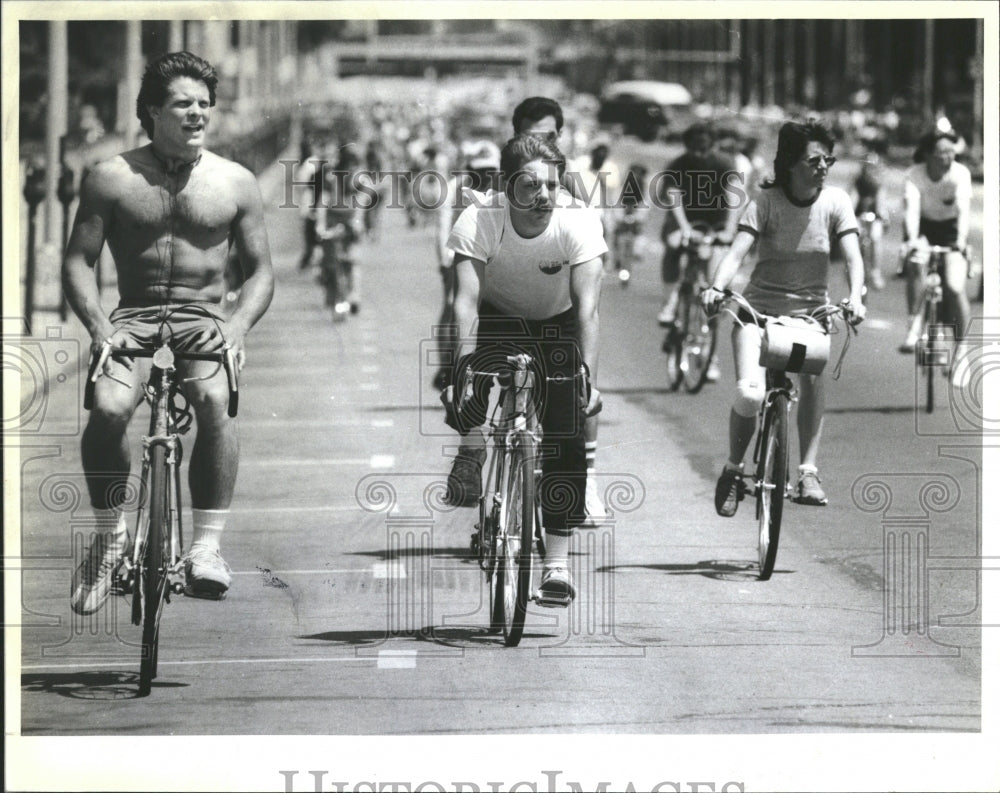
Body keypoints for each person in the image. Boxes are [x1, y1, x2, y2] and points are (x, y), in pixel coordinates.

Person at [62, 52, 274, 614]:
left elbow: (261, 272)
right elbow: (78, 261)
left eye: (205, 104)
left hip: (203, 317)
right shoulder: (111, 177)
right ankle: (110, 541)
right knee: (108, 409)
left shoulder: (236, 181)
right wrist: (98, 326)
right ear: (152, 110)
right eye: (183, 103)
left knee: (214, 400)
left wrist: (237, 326)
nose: (197, 114)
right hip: (132, 317)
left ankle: (206, 547)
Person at [443, 134, 605, 605]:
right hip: (499, 316)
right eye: (530, 186)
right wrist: (463, 375)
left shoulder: (578, 221)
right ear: (506, 185)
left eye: (551, 186)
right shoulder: (480, 218)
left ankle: (555, 563)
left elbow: (589, 311)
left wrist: (586, 380)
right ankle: (472, 449)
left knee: (568, 433)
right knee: (466, 381)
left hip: (558, 326)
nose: (543, 197)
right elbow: (464, 305)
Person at [701, 120, 866, 513]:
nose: (823, 166)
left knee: (811, 378)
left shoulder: (836, 203)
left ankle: (807, 471)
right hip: (758, 315)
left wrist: (856, 297)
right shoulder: (765, 203)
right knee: (750, 393)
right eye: (814, 159)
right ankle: (733, 468)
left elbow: (854, 259)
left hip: (810, 317)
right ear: (791, 163)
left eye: (828, 158)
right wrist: (716, 288)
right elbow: (736, 253)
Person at [658, 122, 741, 383]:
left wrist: (728, 230)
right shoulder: (678, 164)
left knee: (714, 284)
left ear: (712, 144)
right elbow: (673, 199)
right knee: (675, 246)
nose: (699, 152)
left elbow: (735, 198)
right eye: (694, 146)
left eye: (704, 146)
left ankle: (710, 355)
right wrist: (683, 229)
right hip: (685, 223)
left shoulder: (725, 164)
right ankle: (671, 301)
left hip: (715, 225)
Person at [899, 127, 974, 379]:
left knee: (954, 287)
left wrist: (961, 241)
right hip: (923, 228)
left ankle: (961, 351)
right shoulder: (914, 174)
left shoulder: (960, 174)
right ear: (928, 154)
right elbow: (911, 210)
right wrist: (911, 239)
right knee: (915, 261)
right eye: (942, 153)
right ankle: (914, 323)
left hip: (952, 232)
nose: (948, 157)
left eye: (952, 152)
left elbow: (963, 210)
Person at [433, 139, 502, 389]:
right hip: (459, 254)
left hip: (492, 257)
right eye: (481, 170)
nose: (486, 175)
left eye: (491, 171)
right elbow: (443, 223)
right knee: (453, 306)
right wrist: (444, 257)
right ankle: (446, 365)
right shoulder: (455, 187)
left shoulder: (503, 190)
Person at [316, 148, 365, 319]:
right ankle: (334, 296)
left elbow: (361, 205)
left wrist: (357, 224)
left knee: (353, 261)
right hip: (333, 223)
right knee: (331, 262)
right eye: (349, 167)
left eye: (354, 167)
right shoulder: (331, 180)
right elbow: (322, 203)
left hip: (350, 224)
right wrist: (320, 225)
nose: (352, 171)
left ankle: (354, 295)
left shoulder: (359, 182)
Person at [851, 136, 888, 291]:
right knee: (854, 235)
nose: (870, 171)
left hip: (874, 215)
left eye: (873, 168)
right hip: (860, 214)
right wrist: (850, 214)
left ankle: (875, 270)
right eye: (867, 168)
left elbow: (881, 202)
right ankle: (852, 267)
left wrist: (882, 215)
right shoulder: (857, 181)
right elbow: (853, 198)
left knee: (875, 237)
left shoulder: (879, 184)